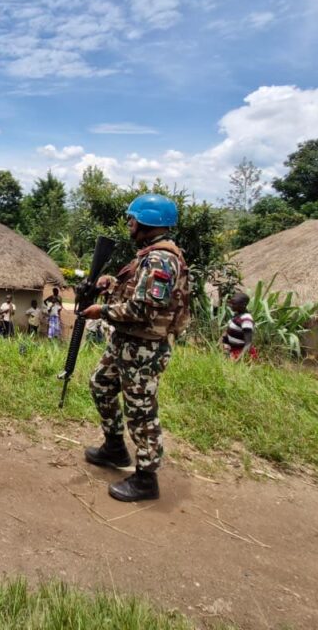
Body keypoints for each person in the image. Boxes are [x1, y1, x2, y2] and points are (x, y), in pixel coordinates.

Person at [79, 193, 191, 503]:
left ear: (147, 222)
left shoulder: (161, 259)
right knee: (100, 383)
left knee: (141, 409)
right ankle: (114, 447)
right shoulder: (148, 254)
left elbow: (145, 311)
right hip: (125, 342)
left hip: (144, 348)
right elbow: (134, 291)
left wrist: (101, 311)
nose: (129, 222)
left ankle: (146, 478)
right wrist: (109, 283)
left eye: (133, 218)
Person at [221, 292, 257, 361]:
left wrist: (237, 360)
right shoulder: (237, 315)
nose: (231, 305)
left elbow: (248, 344)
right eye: (231, 302)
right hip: (232, 351)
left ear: (243, 305)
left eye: (234, 303)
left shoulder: (246, 320)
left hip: (240, 354)